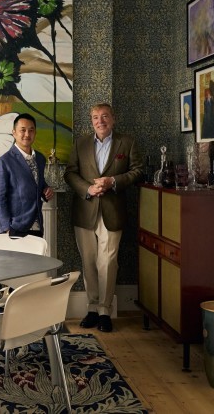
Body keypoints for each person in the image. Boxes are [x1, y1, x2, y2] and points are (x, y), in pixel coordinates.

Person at [64, 103, 144, 332]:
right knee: (88, 261)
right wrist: (87, 189)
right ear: (91, 121)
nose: (100, 121)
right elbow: (70, 172)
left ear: (113, 118)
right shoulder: (80, 143)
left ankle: (104, 311)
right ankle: (91, 308)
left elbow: (138, 171)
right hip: (85, 210)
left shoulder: (126, 142)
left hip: (113, 211)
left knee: (107, 261)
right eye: (96, 117)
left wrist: (113, 182)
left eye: (105, 116)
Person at [0, 113, 54, 238]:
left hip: (37, 224)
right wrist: (6, 228)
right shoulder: (4, 162)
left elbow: (36, 182)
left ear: (35, 133)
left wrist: (45, 190)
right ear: (14, 133)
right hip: (15, 227)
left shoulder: (40, 159)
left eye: (31, 130)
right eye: (23, 130)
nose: (27, 134)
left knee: (37, 257)